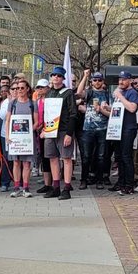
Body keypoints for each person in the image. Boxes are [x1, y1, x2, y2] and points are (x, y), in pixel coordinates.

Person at [41, 66, 79, 200]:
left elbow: (73, 114)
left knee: (66, 159)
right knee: (52, 157)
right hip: (51, 130)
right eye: (54, 75)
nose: (56, 78)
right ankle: (56, 186)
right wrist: (44, 129)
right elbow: (46, 114)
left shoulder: (68, 93)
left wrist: (69, 133)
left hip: (63, 130)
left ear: (63, 78)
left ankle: (67, 187)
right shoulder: (49, 93)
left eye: (59, 76)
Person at [1, 78, 38, 197]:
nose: (20, 90)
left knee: (27, 163)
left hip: (27, 139)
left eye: (22, 88)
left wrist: (28, 131)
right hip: (15, 138)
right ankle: (16, 187)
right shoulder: (13, 103)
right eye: (17, 88)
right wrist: (7, 135)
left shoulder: (33, 104)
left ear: (27, 89)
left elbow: (36, 122)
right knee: (16, 162)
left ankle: (26, 188)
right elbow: (7, 121)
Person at [76, 70, 112, 190]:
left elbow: (112, 113)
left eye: (99, 80)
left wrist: (101, 110)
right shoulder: (89, 92)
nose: (97, 82)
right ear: (91, 82)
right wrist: (85, 76)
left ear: (103, 82)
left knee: (101, 156)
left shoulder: (107, 94)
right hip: (88, 129)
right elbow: (79, 92)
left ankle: (100, 179)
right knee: (86, 156)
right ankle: (84, 179)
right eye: (95, 80)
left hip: (103, 128)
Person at [111, 70, 138, 195]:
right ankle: (121, 182)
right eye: (120, 79)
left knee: (126, 157)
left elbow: (132, 108)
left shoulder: (132, 93)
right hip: (118, 128)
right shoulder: (121, 93)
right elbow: (118, 110)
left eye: (124, 79)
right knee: (119, 157)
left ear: (130, 80)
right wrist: (107, 108)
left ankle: (129, 185)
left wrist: (120, 97)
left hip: (128, 128)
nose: (121, 81)